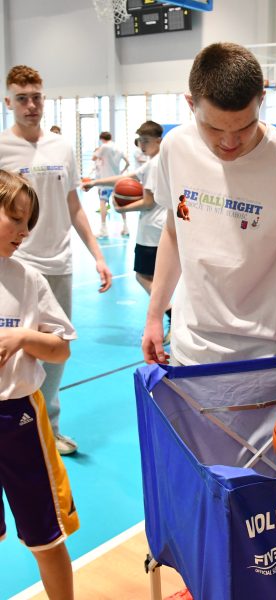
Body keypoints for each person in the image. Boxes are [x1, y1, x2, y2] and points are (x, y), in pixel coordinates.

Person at [142, 42, 276, 429]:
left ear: (262, 99)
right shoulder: (175, 147)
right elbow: (175, 232)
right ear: (190, 104)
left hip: (270, 358)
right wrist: (155, 316)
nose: (229, 143)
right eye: (213, 128)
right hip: (192, 351)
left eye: (243, 127)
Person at [0, 65, 112, 455]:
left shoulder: (62, 147)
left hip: (58, 262)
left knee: (55, 349)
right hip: (16, 261)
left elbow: (73, 204)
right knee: (13, 349)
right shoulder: (2, 147)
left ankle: (49, 426)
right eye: (22, 99)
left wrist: (97, 254)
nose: (31, 106)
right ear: (9, 102)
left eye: (36, 98)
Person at [0, 169, 79, 598]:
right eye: (15, 218)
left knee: (46, 537)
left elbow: (61, 348)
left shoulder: (28, 280)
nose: (24, 231)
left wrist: (21, 338)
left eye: (28, 221)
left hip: (20, 421)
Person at [82, 121, 172, 343]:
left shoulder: (154, 165)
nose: (142, 145)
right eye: (140, 141)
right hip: (161, 228)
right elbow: (128, 177)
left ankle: (173, 313)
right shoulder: (158, 162)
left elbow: (149, 202)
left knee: (143, 277)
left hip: (152, 230)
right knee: (155, 279)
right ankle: (167, 318)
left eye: (146, 141)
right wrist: (95, 182)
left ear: (159, 141)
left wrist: (123, 209)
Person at [91, 131, 130, 238]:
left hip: (106, 181)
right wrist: (122, 172)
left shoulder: (104, 147)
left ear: (101, 139)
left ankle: (104, 229)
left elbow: (93, 158)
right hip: (117, 180)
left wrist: (100, 153)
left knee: (103, 202)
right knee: (121, 203)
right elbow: (128, 163)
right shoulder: (119, 147)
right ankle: (126, 227)